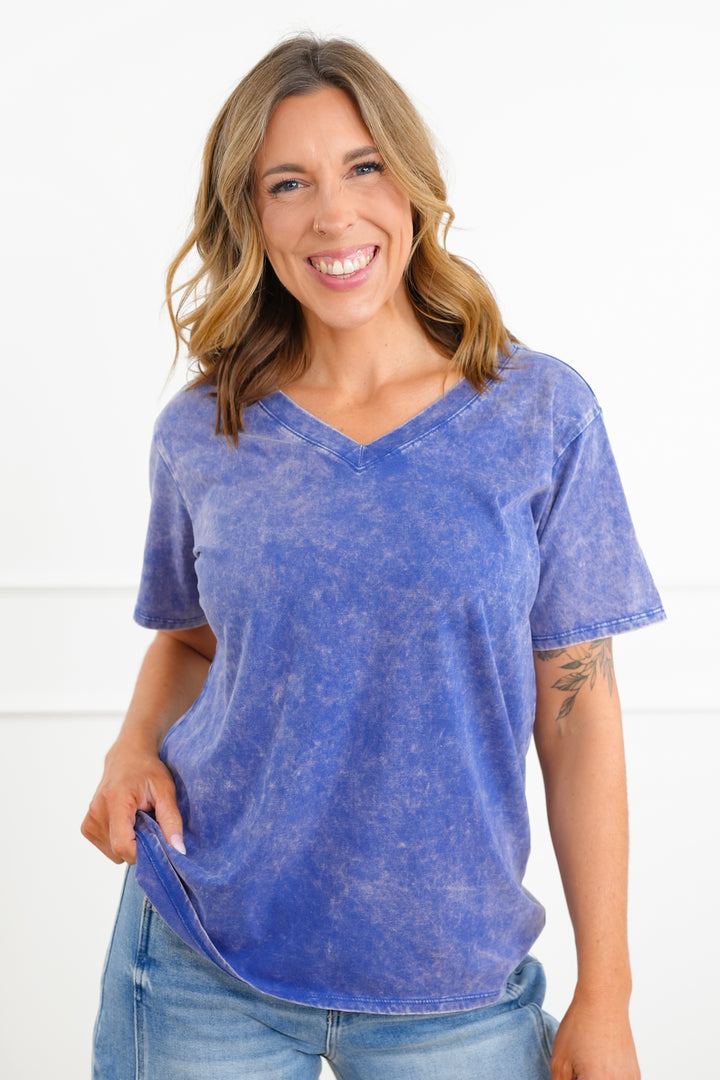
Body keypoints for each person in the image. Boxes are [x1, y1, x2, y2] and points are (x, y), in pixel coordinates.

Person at [82, 34, 665, 1080]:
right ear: (251, 215)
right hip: (203, 962)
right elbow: (192, 639)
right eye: (288, 184)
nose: (333, 215)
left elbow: (578, 714)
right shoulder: (205, 430)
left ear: (413, 187)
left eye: (363, 167)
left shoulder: (540, 416)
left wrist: (607, 994)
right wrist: (132, 745)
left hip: (453, 987)